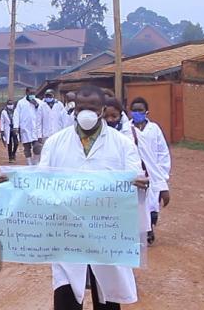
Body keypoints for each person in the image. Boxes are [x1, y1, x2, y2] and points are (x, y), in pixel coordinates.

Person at [40, 85, 148, 310]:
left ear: (102, 109)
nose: (86, 113)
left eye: (92, 107)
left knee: (107, 296)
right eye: (81, 108)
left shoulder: (122, 144)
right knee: (66, 295)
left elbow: (136, 176)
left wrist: (137, 182)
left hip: (106, 232)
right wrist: (14, 182)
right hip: (67, 232)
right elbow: (41, 182)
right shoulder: (55, 143)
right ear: (74, 109)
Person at [129, 97, 171, 245]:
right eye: (134, 110)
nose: (137, 113)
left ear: (147, 111)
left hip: (153, 174)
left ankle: (150, 228)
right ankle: (142, 232)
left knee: (153, 206)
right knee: (138, 205)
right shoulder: (127, 129)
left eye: (140, 110)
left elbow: (162, 153)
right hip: (136, 174)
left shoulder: (154, 129)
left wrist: (162, 176)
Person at [13, 87, 43, 165]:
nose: (32, 95)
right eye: (31, 93)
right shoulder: (20, 103)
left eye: (34, 93)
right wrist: (16, 126)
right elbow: (16, 115)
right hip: (25, 128)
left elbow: (43, 113)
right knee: (27, 147)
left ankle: (35, 161)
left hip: (36, 128)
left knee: (37, 147)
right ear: (26, 93)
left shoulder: (39, 102)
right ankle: (29, 162)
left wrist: (36, 105)